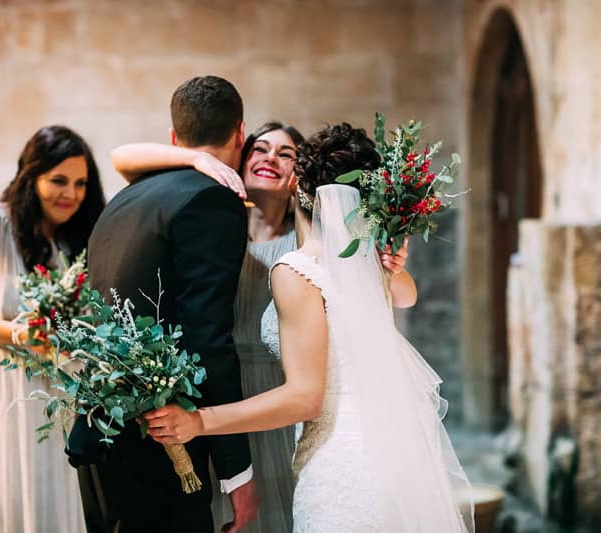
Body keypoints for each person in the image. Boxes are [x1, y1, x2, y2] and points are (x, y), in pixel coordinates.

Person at [145, 123, 475, 532]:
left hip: (341, 468)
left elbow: (305, 398)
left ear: (297, 183)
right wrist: (391, 259)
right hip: (391, 457)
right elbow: (406, 294)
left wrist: (198, 422)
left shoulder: (297, 270)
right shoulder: (363, 262)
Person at [66, 75, 258, 533]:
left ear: (174, 138)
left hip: (100, 428)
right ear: (240, 134)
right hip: (162, 442)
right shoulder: (214, 202)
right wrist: (237, 473)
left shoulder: (125, 198)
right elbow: (208, 337)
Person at [110, 122, 303, 533]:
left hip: (276, 390)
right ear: (239, 155)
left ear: (298, 177)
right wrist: (195, 157)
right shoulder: (207, 223)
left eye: (285, 154)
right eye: (261, 149)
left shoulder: (307, 244)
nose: (271, 158)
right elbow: (122, 156)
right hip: (215, 392)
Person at [0, 125, 106, 533]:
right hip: (1, 388)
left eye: (81, 183)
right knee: (6, 502)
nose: (71, 193)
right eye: (59, 181)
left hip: (62, 392)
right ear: (31, 177)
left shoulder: (79, 239)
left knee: (59, 503)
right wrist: (18, 333)